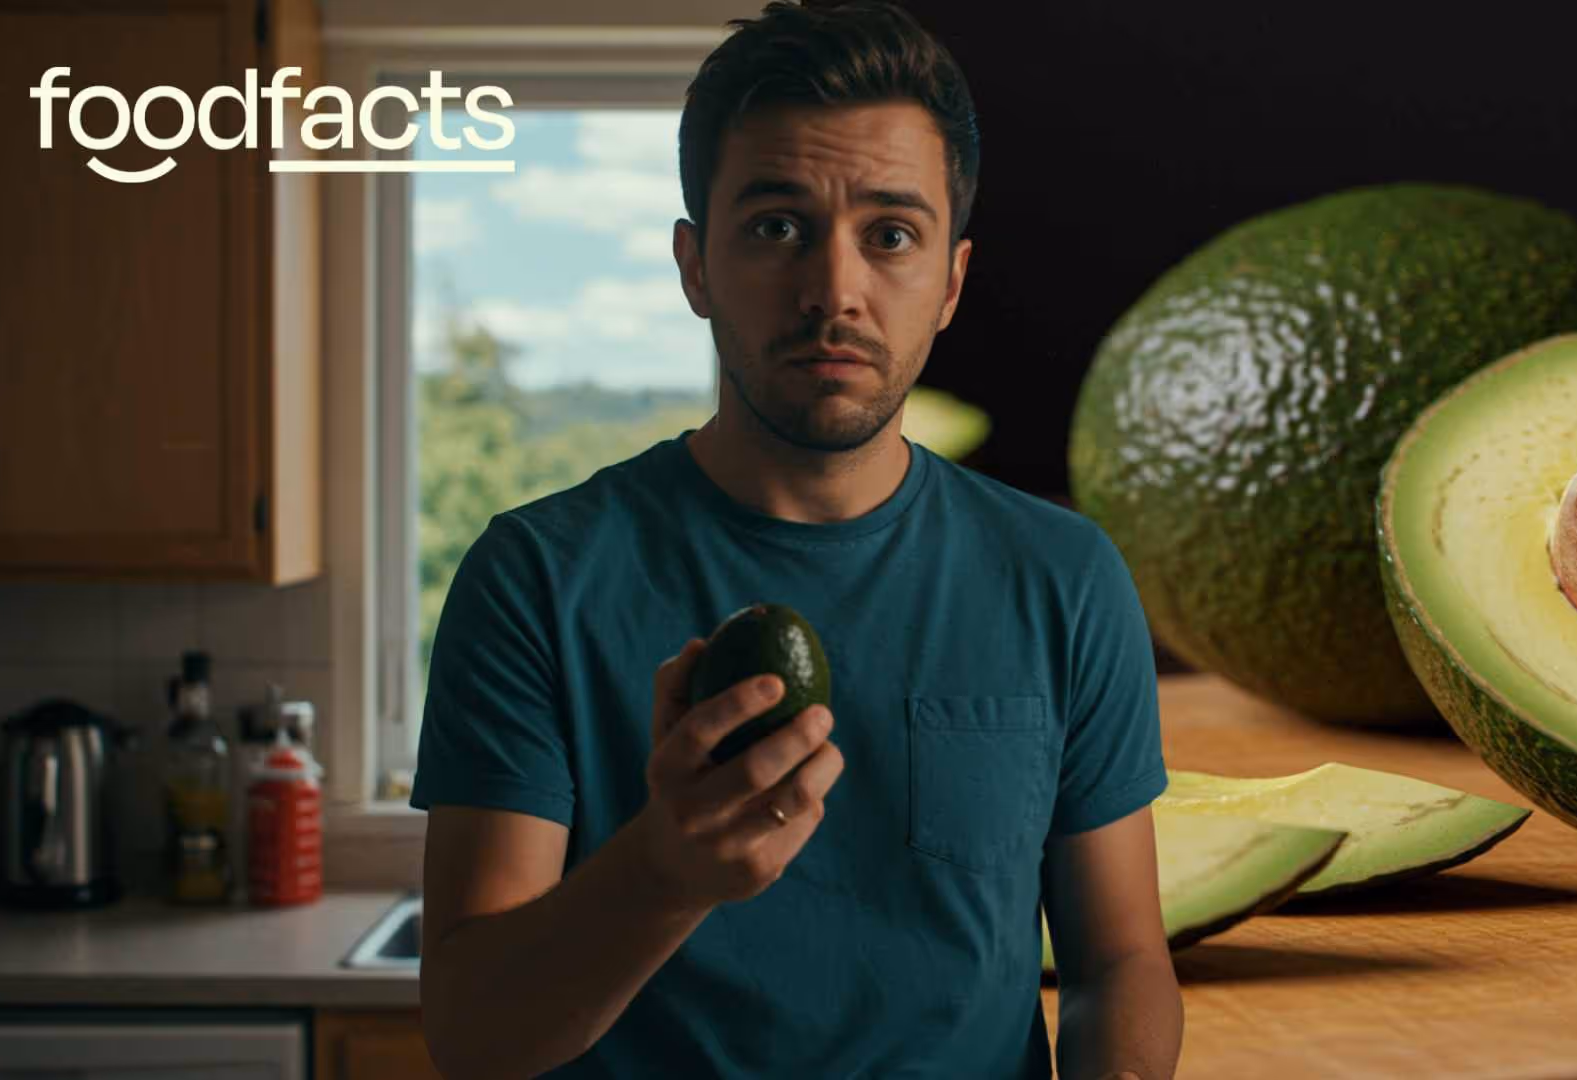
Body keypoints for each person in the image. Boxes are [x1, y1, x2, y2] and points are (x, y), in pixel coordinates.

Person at [411, 3, 1183, 1077]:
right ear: (694, 268)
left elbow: (1118, 965)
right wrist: (664, 872)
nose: (835, 290)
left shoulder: (1062, 577)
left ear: (951, 282)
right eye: (777, 227)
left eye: (892, 234)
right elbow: (471, 1035)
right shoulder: (535, 578)